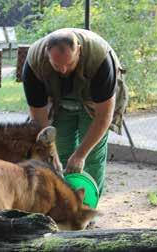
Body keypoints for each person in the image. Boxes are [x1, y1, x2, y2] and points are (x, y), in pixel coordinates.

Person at [22, 28, 128, 197]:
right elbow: (39, 116)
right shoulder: (34, 64)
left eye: (69, 64)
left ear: (78, 49)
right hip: (58, 99)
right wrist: (51, 152)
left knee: (91, 155)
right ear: (46, 54)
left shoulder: (100, 60)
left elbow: (103, 117)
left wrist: (80, 154)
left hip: (93, 101)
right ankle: (65, 204)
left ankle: (88, 208)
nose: (63, 70)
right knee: (61, 152)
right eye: (56, 65)